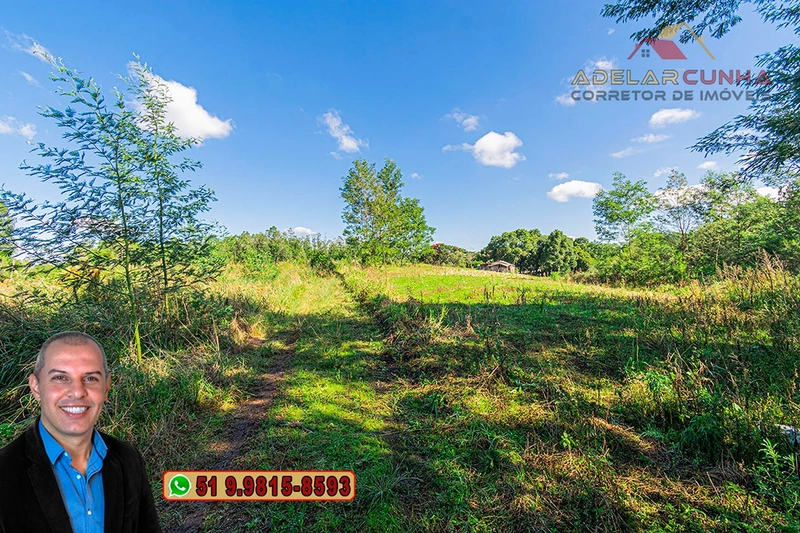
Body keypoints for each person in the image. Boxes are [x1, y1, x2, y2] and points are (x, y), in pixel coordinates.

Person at [0, 331, 162, 533]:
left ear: (106, 388)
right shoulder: (4, 471)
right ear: (36, 387)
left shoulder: (128, 460)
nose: (77, 392)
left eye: (91, 378)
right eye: (60, 377)